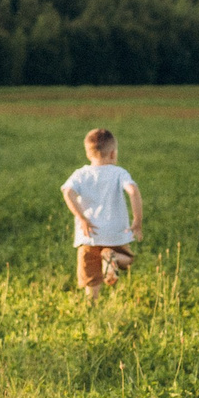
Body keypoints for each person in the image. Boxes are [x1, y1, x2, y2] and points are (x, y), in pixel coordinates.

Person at [62, 127, 144, 301]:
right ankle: (112, 256)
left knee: (90, 278)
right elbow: (133, 190)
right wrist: (137, 220)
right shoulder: (119, 173)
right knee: (127, 260)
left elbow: (67, 192)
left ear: (88, 153)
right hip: (115, 234)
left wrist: (82, 218)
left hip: (89, 234)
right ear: (113, 154)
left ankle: (92, 308)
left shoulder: (81, 174)